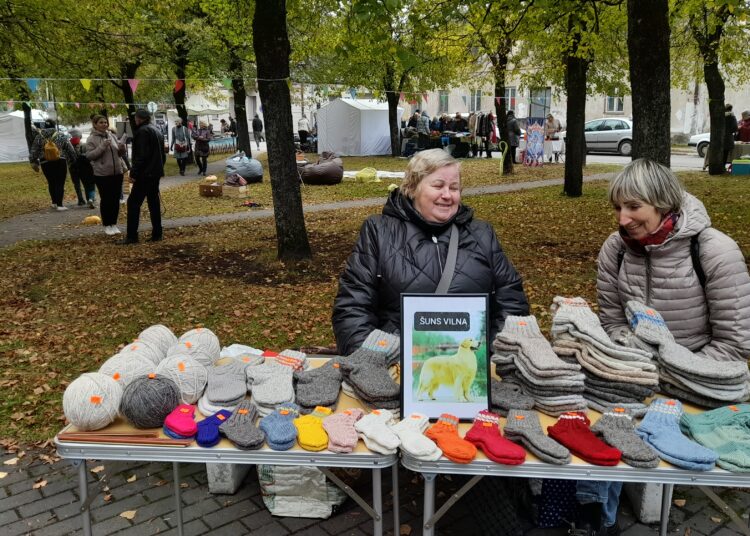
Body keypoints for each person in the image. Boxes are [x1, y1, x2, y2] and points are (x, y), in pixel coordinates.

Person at [586, 158, 750, 536]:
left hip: (698, 378)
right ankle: (596, 516)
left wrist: (672, 375)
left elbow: (733, 345)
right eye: (617, 208)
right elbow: (610, 320)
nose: (622, 219)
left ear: (662, 204)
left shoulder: (715, 251)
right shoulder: (616, 248)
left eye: (632, 207)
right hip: (635, 371)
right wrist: (627, 362)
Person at [332, 148, 529, 355]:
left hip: (470, 369)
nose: (447, 195)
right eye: (438, 186)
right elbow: (352, 308)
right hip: (395, 369)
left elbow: (512, 303)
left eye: (454, 188)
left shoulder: (481, 234)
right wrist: (374, 364)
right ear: (412, 187)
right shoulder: (379, 231)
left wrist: (489, 358)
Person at [119, 109, 166, 244]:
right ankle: (157, 233)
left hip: (145, 174)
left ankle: (132, 236)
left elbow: (141, 156)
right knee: (153, 203)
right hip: (154, 173)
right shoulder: (156, 130)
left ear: (139, 118)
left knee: (133, 203)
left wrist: (133, 174)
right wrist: (159, 170)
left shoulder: (142, 132)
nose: (134, 120)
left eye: (136, 118)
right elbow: (161, 155)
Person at [86, 115, 126, 235]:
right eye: (101, 122)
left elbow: (119, 154)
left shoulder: (112, 135)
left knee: (115, 200)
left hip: (117, 172)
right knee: (106, 200)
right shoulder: (91, 139)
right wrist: (102, 146)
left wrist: (121, 148)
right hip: (102, 174)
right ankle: (107, 225)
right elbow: (90, 156)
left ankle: (114, 224)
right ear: (95, 124)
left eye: (105, 122)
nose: (104, 124)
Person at [28, 119, 77, 211]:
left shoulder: (39, 137)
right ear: (54, 126)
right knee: (60, 182)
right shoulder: (61, 135)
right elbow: (70, 149)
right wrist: (73, 160)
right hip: (60, 161)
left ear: (44, 127)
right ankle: (60, 205)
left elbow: (34, 150)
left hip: (45, 162)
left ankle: (54, 202)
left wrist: (33, 161)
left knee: (51, 182)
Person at [68, 128, 96, 208]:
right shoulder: (84, 145)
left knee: (77, 184)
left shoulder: (68, 145)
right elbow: (88, 156)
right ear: (80, 136)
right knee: (87, 184)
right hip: (83, 168)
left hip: (72, 167)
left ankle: (80, 200)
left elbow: (66, 157)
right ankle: (89, 199)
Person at [724, 103, 738, 168]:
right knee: (725, 153)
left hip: (719, 138)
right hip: (728, 137)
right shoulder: (732, 116)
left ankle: (719, 167)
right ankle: (722, 167)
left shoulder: (720, 116)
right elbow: (735, 127)